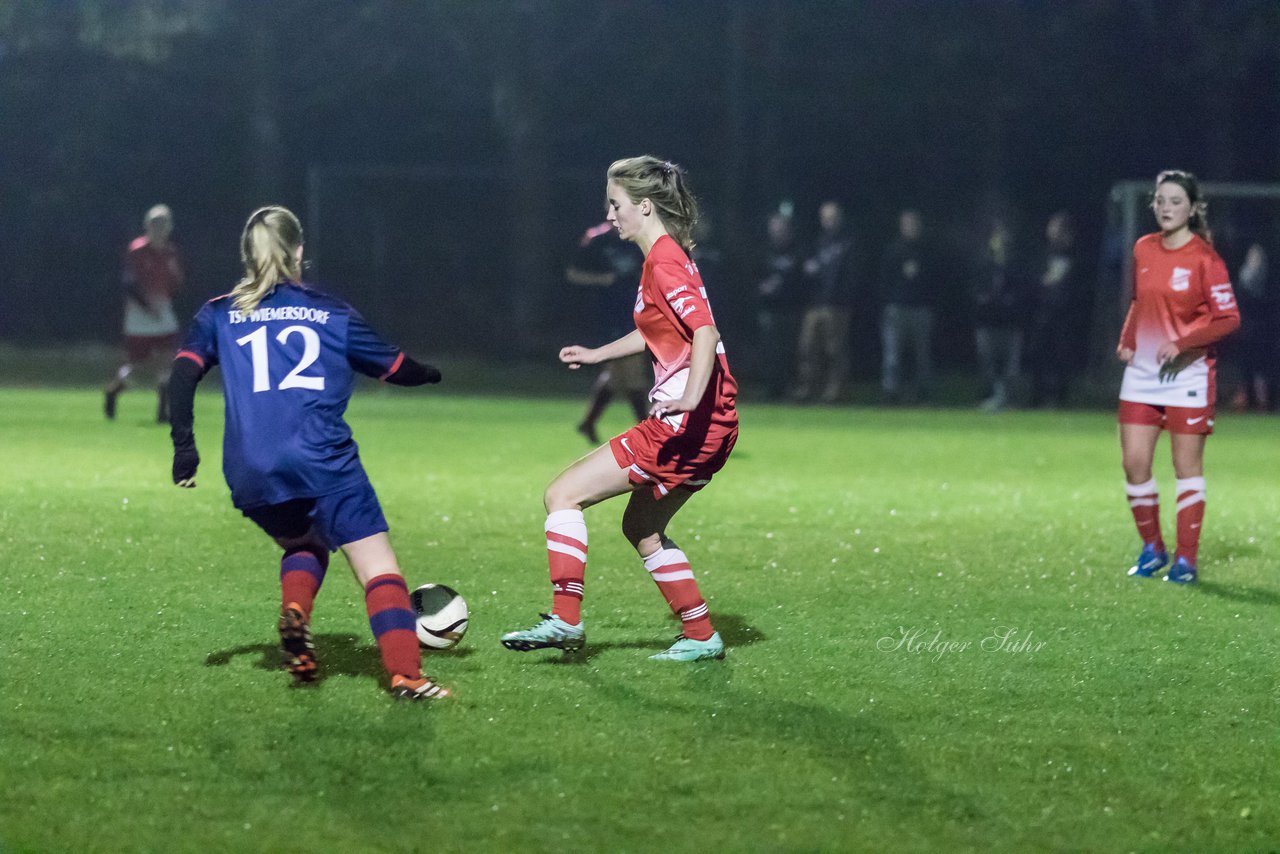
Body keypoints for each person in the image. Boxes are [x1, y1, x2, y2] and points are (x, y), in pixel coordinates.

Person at [167, 206, 451, 700]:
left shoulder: (218, 312)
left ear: (248, 254)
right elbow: (396, 367)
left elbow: (183, 374)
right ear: (299, 252)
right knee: (379, 568)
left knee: (304, 543)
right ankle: (408, 675)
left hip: (249, 470)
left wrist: (184, 448)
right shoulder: (329, 312)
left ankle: (296, 617)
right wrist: (430, 373)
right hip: (322, 459)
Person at [501, 156, 737, 663]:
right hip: (712, 429)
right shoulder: (664, 257)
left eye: (615, 204)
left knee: (561, 495)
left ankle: (565, 620)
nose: (609, 215)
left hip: (684, 427)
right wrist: (596, 354)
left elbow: (705, 333)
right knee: (642, 529)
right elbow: (657, 328)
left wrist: (689, 397)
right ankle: (702, 636)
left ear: (645, 207)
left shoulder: (665, 260)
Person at [1117, 170, 1240, 584]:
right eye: (1159, 200)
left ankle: (1186, 560)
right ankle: (1152, 549)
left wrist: (1186, 341)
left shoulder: (1206, 259)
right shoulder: (1143, 248)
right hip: (1142, 374)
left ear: (1191, 208)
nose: (1165, 208)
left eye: (1174, 201)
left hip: (1187, 375)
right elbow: (1139, 301)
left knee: (1186, 467)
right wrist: (1127, 339)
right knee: (1134, 465)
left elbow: (1228, 318)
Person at [565, 221, 648, 444]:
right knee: (631, 371)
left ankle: (589, 422)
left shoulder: (639, 237)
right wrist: (603, 279)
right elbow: (573, 273)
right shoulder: (596, 239)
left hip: (635, 310)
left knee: (617, 374)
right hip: (607, 313)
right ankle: (648, 429)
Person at [104, 204, 184, 422]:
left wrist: (164, 301)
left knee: (169, 360)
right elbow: (129, 284)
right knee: (137, 368)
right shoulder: (137, 250)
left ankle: (162, 411)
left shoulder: (170, 252)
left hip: (163, 312)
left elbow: (175, 281)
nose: (160, 228)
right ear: (148, 226)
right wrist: (148, 306)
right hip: (139, 315)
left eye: (164, 224)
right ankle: (113, 390)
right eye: (156, 224)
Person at [794, 200, 857, 403]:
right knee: (808, 348)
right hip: (814, 304)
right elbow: (805, 269)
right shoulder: (817, 242)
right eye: (826, 217)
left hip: (836, 305)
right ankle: (808, 387)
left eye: (833, 217)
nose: (829, 221)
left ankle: (835, 390)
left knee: (835, 350)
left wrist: (845, 297)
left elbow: (852, 275)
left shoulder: (848, 243)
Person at [878, 208, 937, 403]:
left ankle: (924, 393)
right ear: (901, 226)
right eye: (907, 224)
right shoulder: (893, 251)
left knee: (923, 355)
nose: (911, 228)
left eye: (914, 224)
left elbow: (934, 281)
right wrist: (887, 303)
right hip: (896, 309)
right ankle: (890, 393)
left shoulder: (927, 252)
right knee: (892, 355)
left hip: (921, 309)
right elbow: (884, 280)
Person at [1027, 211, 1083, 407]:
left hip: (1065, 314)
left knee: (1062, 355)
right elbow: (1033, 280)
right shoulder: (1042, 255)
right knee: (1039, 354)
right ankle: (1038, 395)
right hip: (1043, 312)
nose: (1053, 232)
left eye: (1058, 228)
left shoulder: (1076, 256)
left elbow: (1078, 286)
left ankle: (1060, 397)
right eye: (1052, 228)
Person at [972, 215, 1026, 411]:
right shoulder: (983, 263)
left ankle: (1009, 399)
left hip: (1010, 322)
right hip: (987, 321)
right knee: (988, 363)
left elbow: (1021, 289)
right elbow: (976, 290)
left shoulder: (1015, 263)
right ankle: (990, 397)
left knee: (1011, 366)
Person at [754, 209, 805, 399]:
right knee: (770, 350)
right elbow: (754, 278)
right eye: (774, 227)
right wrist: (763, 287)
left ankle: (790, 387)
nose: (777, 231)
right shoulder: (764, 251)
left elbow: (802, 278)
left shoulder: (797, 251)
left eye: (781, 227)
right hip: (770, 309)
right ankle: (772, 388)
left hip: (791, 308)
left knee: (791, 350)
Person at [1226, 240, 1275, 411]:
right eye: (1252, 256)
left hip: (1262, 331)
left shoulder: (1268, 282)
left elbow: (1269, 306)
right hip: (1244, 330)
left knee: (1261, 365)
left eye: (1258, 257)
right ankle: (1244, 396)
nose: (1255, 260)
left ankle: (1262, 399)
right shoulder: (1242, 279)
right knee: (1245, 364)